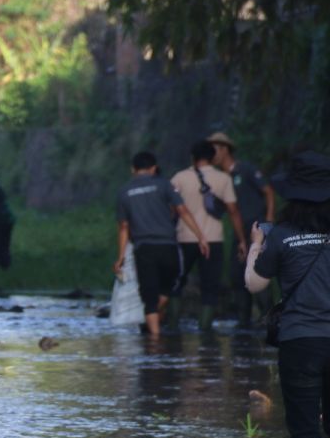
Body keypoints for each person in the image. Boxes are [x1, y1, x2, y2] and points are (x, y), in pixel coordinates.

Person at [244, 150, 330, 438]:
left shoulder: (281, 235)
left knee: (305, 437)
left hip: (300, 343)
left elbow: (254, 284)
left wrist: (255, 245)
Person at [114, 151, 208, 337]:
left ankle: (154, 341)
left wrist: (121, 257)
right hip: (168, 247)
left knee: (149, 298)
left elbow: (124, 228)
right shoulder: (164, 184)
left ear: (132, 169)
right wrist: (201, 237)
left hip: (144, 249)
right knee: (169, 287)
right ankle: (155, 321)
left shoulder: (124, 192)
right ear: (154, 168)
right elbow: (182, 211)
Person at [170, 140, 247, 331]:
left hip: (184, 239)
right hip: (213, 240)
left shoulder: (179, 178)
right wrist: (242, 240)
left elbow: (171, 210)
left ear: (192, 157)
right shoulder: (223, 179)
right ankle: (205, 330)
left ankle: (172, 328)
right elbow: (233, 211)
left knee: (176, 283)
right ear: (212, 157)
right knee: (210, 286)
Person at [210, 132, 277, 327]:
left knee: (261, 268)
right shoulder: (220, 179)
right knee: (237, 272)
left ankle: (269, 317)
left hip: (258, 227)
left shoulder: (245, 169)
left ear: (224, 149)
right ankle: (243, 321)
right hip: (240, 232)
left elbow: (268, 191)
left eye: (213, 149)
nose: (211, 154)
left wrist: (270, 219)